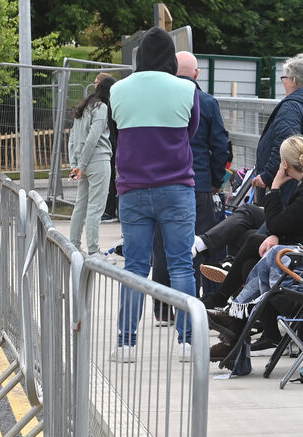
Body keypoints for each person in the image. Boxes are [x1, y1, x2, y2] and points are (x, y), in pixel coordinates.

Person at [108, 26, 200, 362]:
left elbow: (116, 133)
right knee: (180, 266)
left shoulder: (118, 90)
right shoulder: (185, 89)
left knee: (134, 267)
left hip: (132, 189)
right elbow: (190, 132)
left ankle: (126, 343)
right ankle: (186, 342)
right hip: (176, 187)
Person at [202, 135, 303, 316]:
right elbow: (290, 223)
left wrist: (275, 187)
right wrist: (277, 234)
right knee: (250, 257)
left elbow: (277, 224)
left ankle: (224, 301)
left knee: (252, 244)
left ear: (284, 163)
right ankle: (237, 324)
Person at [192, 128, 303, 269]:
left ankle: (228, 270)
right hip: (300, 231)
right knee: (248, 213)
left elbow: (286, 222)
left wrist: (276, 186)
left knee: (249, 239)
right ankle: (204, 244)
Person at [151, 51, 231, 324]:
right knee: (200, 243)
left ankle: (163, 310)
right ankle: (197, 305)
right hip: (198, 183)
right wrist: (216, 180)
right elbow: (220, 144)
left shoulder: (160, 101)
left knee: (161, 245)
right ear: (196, 74)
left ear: (173, 72)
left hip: (162, 182)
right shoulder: (207, 102)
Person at [252, 53, 303, 204]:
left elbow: (285, 146)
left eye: (284, 77)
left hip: (289, 184)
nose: (283, 82)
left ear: (294, 80)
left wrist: (267, 176)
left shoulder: (291, 107)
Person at [67, 76, 115, 256]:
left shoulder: (84, 107)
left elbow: (73, 138)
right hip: (98, 160)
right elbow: (93, 138)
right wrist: (82, 164)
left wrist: (76, 164)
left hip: (82, 163)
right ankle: (94, 250)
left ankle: (73, 245)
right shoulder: (101, 108)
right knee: (96, 207)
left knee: (80, 205)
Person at [95, 72, 120, 223]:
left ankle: (109, 210)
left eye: (96, 82)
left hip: (108, 146)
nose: (94, 85)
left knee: (109, 179)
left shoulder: (103, 106)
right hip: (112, 145)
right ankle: (110, 209)